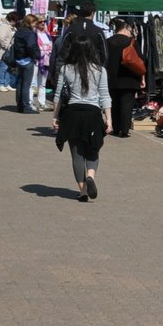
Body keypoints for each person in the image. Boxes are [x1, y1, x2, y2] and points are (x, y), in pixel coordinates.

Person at [50, 33, 112, 202]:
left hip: (72, 114)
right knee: (93, 149)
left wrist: (55, 116)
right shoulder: (100, 70)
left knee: (77, 154)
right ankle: (91, 176)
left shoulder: (66, 69)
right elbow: (105, 95)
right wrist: (109, 120)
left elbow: (58, 95)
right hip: (92, 114)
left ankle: (83, 190)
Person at [104, 17, 144, 137]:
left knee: (114, 103)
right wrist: (142, 78)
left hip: (112, 78)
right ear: (126, 29)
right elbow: (141, 60)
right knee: (127, 104)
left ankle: (115, 128)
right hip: (129, 78)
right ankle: (124, 130)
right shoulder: (131, 42)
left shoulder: (108, 42)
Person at [8, 11, 40, 114]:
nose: (36, 25)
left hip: (19, 60)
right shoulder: (30, 33)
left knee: (20, 83)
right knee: (26, 84)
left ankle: (20, 105)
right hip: (27, 60)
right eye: (35, 22)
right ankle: (26, 107)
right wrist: (35, 56)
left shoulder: (19, 31)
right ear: (30, 23)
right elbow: (31, 46)